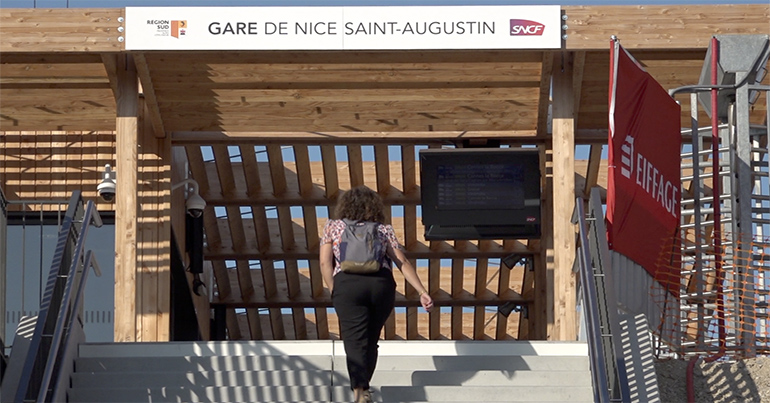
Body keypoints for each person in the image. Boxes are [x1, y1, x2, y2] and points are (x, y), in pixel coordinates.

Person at [320, 186, 433, 403]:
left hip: (347, 284)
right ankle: (364, 389)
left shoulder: (333, 227)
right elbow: (402, 262)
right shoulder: (383, 229)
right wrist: (422, 292)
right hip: (380, 285)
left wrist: (335, 289)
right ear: (374, 207)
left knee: (354, 341)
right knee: (371, 341)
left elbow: (325, 262)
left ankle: (360, 392)